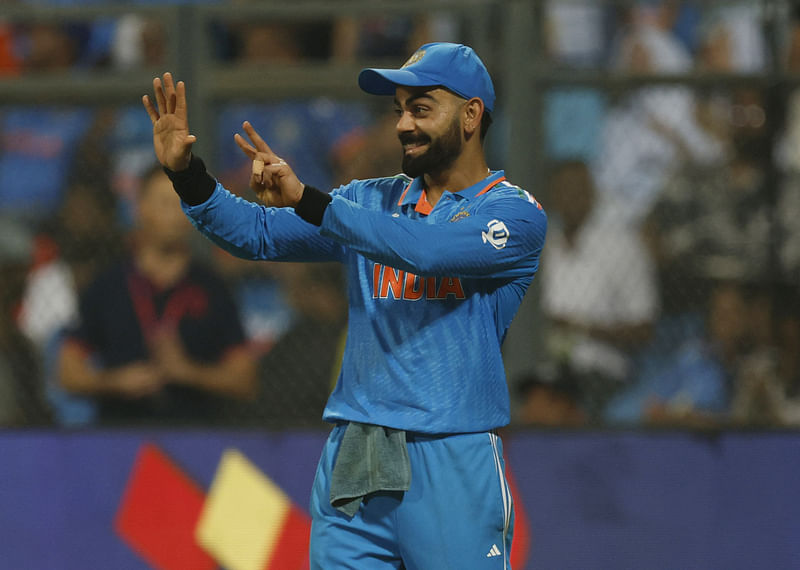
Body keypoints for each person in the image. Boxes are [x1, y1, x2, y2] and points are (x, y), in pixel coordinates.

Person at [143, 42, 547, 568]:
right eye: (399, 109)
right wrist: (188, 176)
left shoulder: (513, 215)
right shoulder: (364, 201)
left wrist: (312, 201)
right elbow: (258, 233)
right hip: (356, 454)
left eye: (421, 109)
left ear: (471, 115)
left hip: (452, 456)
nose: (403, 124)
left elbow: (426, 251)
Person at [57, 165, 257, 426]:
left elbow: (245, 380)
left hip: (195, 436)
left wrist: (187, 372)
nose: (175, 214)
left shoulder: (213, 287)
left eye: (182, 203)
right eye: (164, 203)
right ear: (140, 208)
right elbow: (67, 372)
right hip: (118, 435)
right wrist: (115, 382)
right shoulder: (107, 285)